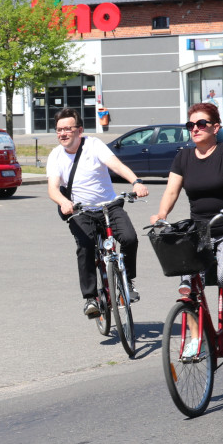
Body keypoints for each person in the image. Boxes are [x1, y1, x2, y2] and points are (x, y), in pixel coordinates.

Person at [151, 102, 223, 355]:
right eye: (191, 125)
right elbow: (171, 190)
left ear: (216, 127)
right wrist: (162, 214)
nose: (195, 129)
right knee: (187, 284)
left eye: (201, 124)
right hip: (200, 231)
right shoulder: (184, 156)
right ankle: (195, 336)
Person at [47, 107, 149, 318]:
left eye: (68, 128)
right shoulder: (55, 156)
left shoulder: (93, 145)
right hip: (80, 210)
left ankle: (127, 282)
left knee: (129, 238)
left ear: (80, 130)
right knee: (85, 247)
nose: (63, 134)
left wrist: (136, 182)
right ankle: (91, 298)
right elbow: (53, 189)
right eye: (59, 130)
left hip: (109, 205)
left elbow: (116, 165)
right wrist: (64, 202)